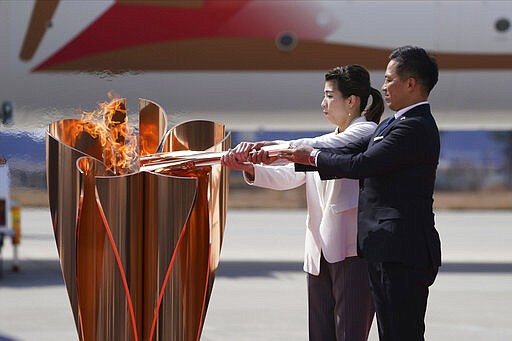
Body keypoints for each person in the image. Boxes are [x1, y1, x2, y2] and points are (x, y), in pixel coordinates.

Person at [269, 46, 441, 341]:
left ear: (410, 83)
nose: (383, 87)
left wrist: (312, 157)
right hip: (384, 248)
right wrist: (278, 154)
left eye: (389, 79)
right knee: (390, 331)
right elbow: (342, 150)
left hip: (402, 250)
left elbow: (363, 164)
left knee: (402, 332)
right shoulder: (392, 123)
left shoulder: (414, 127)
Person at [222, 65, 384, 341]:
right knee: (320, 335)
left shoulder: (364, 133)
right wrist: (250, 167)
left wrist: (269, 148)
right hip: (319, 252)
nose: (323, 103)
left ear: (351, 101)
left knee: (349, 334)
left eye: (330, 96)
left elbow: (313, 149)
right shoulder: (327, 141)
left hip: (351, 252)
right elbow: (289, 175)